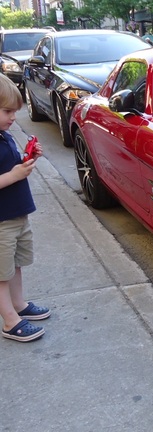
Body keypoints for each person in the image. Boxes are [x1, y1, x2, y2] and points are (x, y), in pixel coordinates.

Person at [0, 74, 49, 343]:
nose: (13, 118)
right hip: (1, 220)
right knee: (1, 274)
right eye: (7, 111)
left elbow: (12, 167)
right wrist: (14, 176)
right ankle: (9, 321)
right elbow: (9, 175)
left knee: (15, 265)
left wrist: (28, 159)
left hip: (16, 215)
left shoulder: (4, 136)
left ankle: (19, 305)